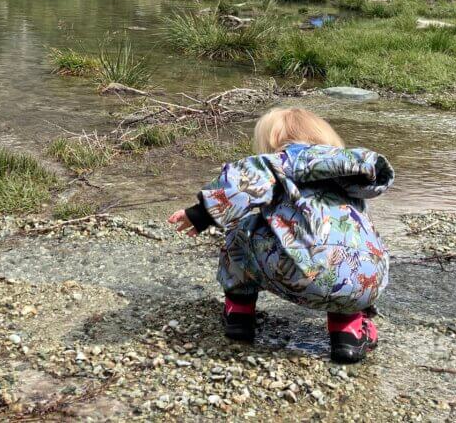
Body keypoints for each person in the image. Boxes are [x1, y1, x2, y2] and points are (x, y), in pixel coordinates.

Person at [168, 108, 393, 364]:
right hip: (365, 283)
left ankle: (239, 313)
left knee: (243, 228)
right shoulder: (351, 173)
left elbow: (242, 183)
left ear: (274, 142)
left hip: (302, 274)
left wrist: (200, 215)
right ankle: (348, 333)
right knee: (352, 240)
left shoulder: (283, 161)